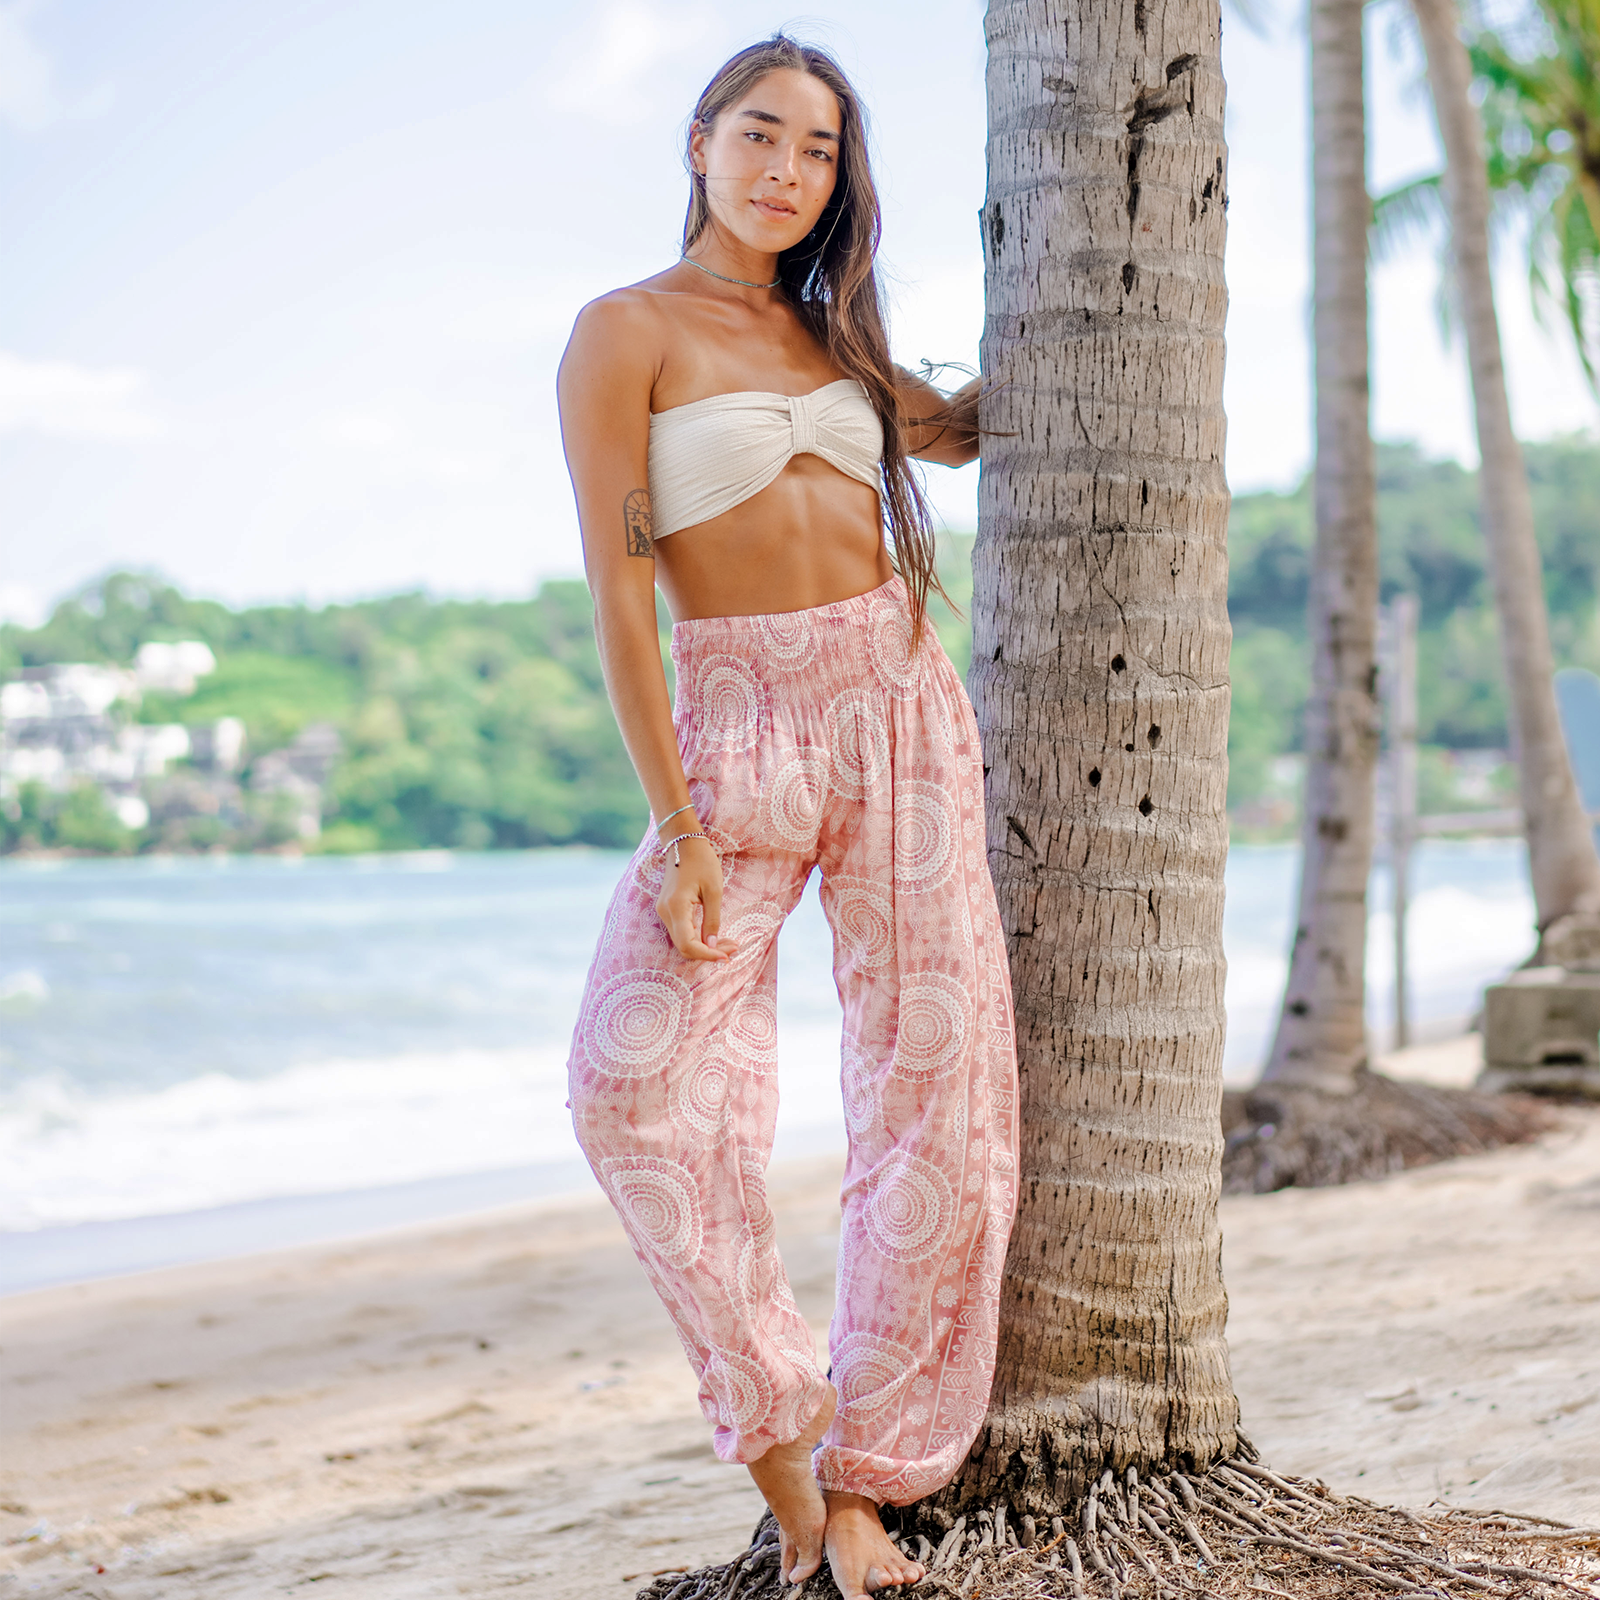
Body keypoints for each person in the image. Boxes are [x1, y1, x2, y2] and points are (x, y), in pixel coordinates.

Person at [557, 35, 1017, 1600]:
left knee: (937, 1088)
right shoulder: (624, 333)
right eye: (761, 136)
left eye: (818, 152)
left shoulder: (835, 336)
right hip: (736, 723)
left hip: (896, 699)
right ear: (700, 142)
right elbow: (623, 601)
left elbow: (950, 431)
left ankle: (869, 1479)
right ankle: (786, 1444)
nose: (786, 171)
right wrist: (678, 822)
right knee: (636, 1091)